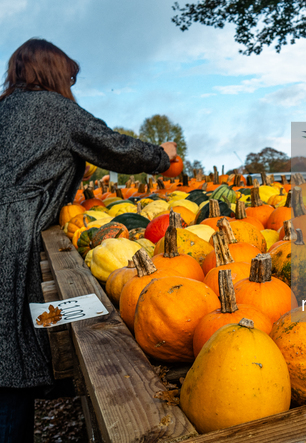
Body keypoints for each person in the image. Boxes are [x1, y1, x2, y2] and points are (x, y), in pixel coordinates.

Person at [0, 38, 178, 442]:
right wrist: (162, 155)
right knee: (8, 355)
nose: (71, 85)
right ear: (53, 73)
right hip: (10, 235)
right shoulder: (54, 108)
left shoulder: (4, 109)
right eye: (69, 76)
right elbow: (114, 147)